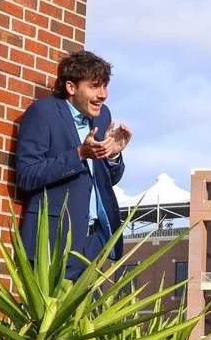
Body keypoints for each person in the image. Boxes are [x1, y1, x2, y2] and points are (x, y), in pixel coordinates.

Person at [11, 49, 131, 278]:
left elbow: (102, 180)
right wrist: (79, 154)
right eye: (95, 86)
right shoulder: (43, 113)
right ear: (71, 87)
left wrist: (113, 156)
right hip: (52, 244)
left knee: (89, 314)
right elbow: (27, 175)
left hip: (93, 243)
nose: (103, 94)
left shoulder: (102, 115)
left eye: (105, 85)